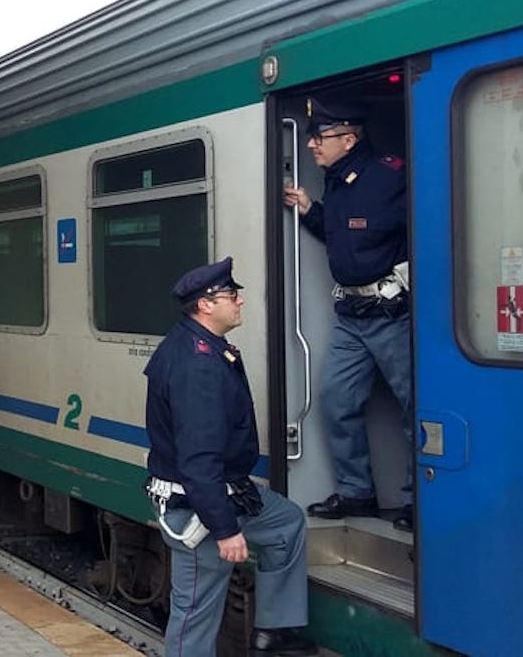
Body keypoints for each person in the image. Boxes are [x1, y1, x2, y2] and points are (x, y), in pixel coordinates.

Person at [145, 257, 317, 657]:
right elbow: (198, 461)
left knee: (287, 523)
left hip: (228, 491)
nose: (239, 300)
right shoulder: (198, 366)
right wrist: (224, 530)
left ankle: (273, 633)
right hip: (198, 505)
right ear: (206, 305)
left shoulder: (199, 345)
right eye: (230, 294)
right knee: (195, 610)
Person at [283, 97, 414, 532]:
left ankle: (420, 500)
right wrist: (309, 210)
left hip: (392, 313)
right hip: (352, 317)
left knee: (416, 405)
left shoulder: (389, 178)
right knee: (336, 401)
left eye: (319, 138)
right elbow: (348, 236)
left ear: (349, 138)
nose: (311, 146)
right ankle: (357, 493)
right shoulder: (336, 181)